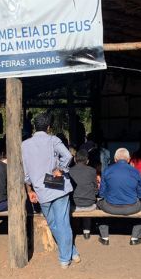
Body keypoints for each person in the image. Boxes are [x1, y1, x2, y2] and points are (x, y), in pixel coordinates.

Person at [22, 113, 80, 268]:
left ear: (35, 127)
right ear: (48, 127)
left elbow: (26, 172)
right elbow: (68, 156)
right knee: (62, 222)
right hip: (57, 184)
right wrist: (60, 169)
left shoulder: (25, 145)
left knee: (53, 222)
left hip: (41, 187)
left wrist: (29, 189)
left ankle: (67, 255)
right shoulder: (53, 140)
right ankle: (68, 255)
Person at [97, 148, 141, 246]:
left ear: (115, 159)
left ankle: (104, 237)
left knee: (98, 205)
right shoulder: (135, 172)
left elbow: (102, 194)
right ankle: (135, 237)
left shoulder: (107, 171)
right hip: (131, 207)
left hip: (110, 207)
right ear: (128, 159)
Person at [69, 149, 98, 239]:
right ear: (87, 161)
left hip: (73, 206)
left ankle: (74, 230)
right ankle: (86, 232)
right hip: (90, 206)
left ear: (74, 159)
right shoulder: (92, 171)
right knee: (88, 201)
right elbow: (95, 188)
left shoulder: (70, 171)